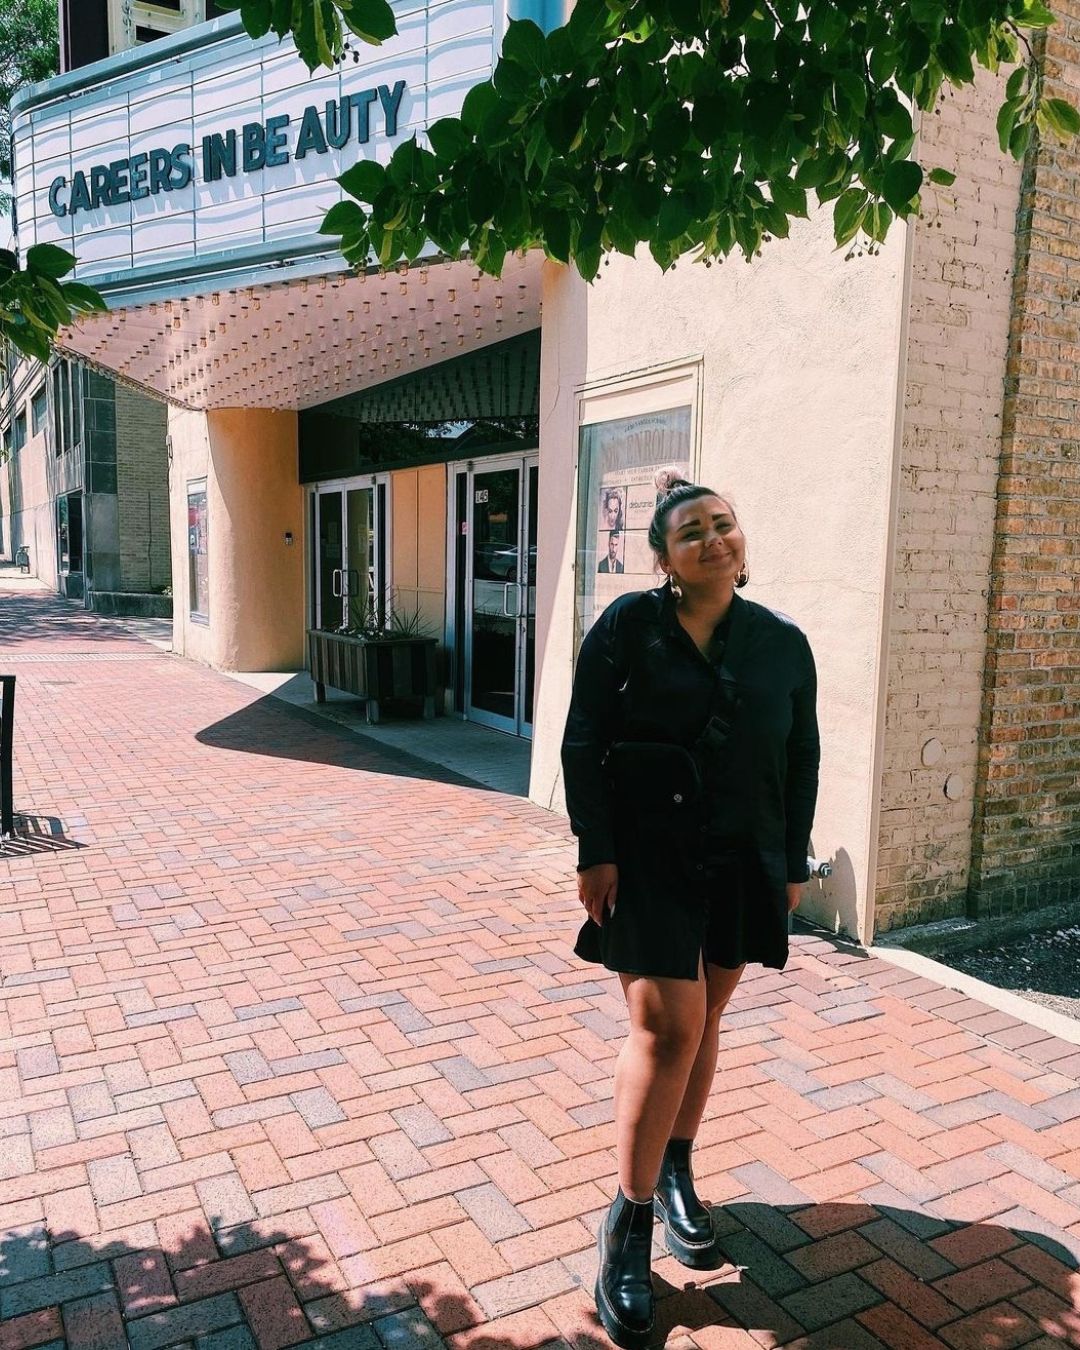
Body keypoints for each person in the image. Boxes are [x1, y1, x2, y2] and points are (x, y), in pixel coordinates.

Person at [561, 475, 819, 1349]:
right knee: (667, 1028)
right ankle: (627, 1225)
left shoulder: (782, 643)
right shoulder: (630, 628)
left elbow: (801, 757)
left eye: (724, 526)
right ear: (663, 557)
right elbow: (583, 736)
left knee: (705, 1019)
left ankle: (675, 1169)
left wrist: (789, 862)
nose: (714, 540)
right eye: (692, 533)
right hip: (649, 861)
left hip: (744, 855)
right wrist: (595, 849)